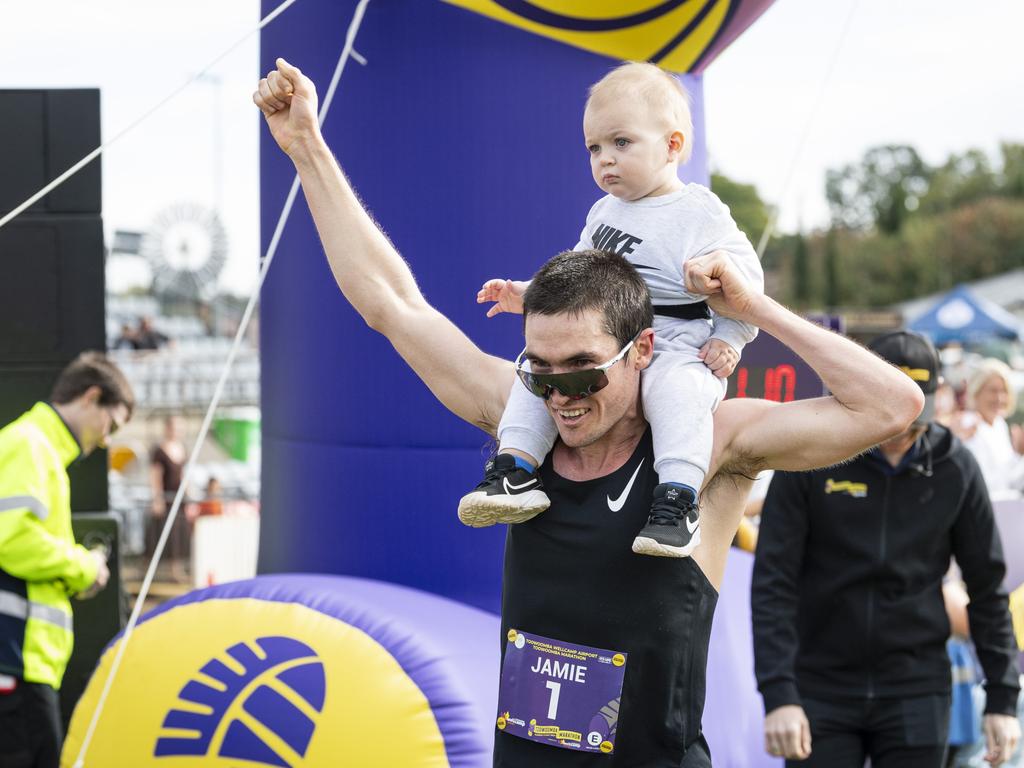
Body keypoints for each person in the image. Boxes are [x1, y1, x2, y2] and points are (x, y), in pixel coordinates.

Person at [254, 58, 924, 766]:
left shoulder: (712, 443)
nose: (560, 394)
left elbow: (893, 405)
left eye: (582, 370)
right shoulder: (525, 413)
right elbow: (391, 304)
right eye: (540, 369)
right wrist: (307, 149)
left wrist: (750, 310)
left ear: (641, 350)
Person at [461, 62, 764, 559]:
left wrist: (730, 337)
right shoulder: (603, 213)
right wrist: (528, 293)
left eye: (622, 143)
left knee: (679, 393)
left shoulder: (699, 211)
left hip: (674, 338)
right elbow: (576, 275)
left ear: (672, 145)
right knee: (538, 374)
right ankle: (514, 471)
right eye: (594, 148)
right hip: (606, 340)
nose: (605, 160)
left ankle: (677, 501)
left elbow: (746, 283)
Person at [752, 331, 1021, 768]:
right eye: (890, 414)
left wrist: (1003, 700)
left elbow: (988, 588)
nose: (902, 431)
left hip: (917, 690)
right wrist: (779, 693)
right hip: (821, 688)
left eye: (915, 417)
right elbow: (773, 582)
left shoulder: (956, 467)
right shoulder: (811, 456)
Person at [0, 352, 134, 767]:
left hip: (23, 660)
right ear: (91, 397)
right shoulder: (31, 446)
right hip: (15, 659)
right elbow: (12, 539)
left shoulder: (35, 449)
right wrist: (84, 566)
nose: (107, 438)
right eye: (111, 423)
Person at [953, 359, 1024, 500]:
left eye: (1004, 391)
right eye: (992, 391)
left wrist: (1020, 454)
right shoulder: (968, 425)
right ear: (976, 392)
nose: (999, 398)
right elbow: (983, 486)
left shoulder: (999, 425)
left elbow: (1010, 481)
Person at [149, 415, 190, 582]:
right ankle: (157, 570)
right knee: (163, 532)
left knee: (180, 533)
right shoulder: (159, 451)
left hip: (180, 499)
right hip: (166, 499)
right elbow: (155, 475)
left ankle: (177, 568)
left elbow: (184, 474)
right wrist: (157, 497)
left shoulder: (182, 448)